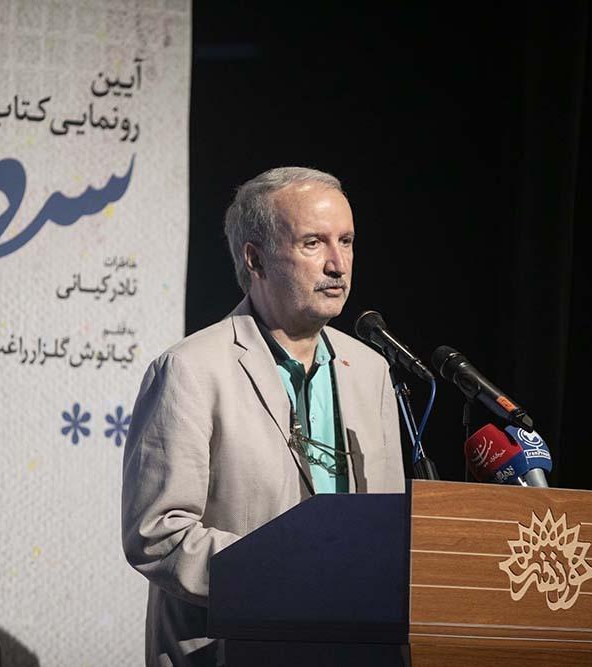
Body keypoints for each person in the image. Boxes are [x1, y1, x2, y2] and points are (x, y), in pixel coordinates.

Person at [121, 166, 406, 666]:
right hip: (236, 648)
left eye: (346, 241)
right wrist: (288, 576)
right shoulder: (190, 369)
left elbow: (392, 528)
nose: (338, 264)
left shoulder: (371, 370)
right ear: (256, 259)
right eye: (313, 243)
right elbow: (157, 534)